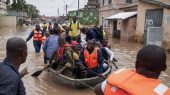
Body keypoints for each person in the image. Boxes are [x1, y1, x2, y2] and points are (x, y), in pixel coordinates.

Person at [94, 45, 170, 95]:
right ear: (164, 68)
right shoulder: (164, 92)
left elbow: (96, 89)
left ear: (136, 63)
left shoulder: (118, 76)